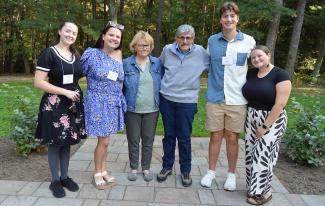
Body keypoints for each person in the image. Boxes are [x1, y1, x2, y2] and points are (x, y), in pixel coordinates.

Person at [201, 1, 256, 191]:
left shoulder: (248, 41)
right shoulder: (212, 41)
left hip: (238, 99)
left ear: (237, 19)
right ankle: (211, 172)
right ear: (220, 20)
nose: (229, 19)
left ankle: (231, 175)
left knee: (232, 138)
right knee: (215, 137)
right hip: (215, 98)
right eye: (225, 16)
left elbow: (257, 66)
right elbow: (207, 65)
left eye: (232, 16)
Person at [34, 21, 87, 198]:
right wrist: (66, 92)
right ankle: (55, 181)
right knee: (56, 142)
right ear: (59, 31)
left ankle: (65, 177)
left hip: (72, 104)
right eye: (68, 31)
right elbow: (38, 82)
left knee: (67, 142)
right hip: (55, 104)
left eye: (74, 33)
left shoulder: (75, 55)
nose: (71, 35)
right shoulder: (49, 53)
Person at [157, 24, 210, 187]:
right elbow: (159, 68)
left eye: (188, 38)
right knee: (169, 135)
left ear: (193, 39)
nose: (185, 40)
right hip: (167, 99)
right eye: (182, 37)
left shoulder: (201, 52)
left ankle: (185, 170)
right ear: (176, 38)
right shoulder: (167, 50)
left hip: (187, 101)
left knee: (185, 138)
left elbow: (214, 69)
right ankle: (167, 167)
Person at [242, 45, 291, 205]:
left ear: (268, 55)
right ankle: (253, 188)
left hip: (272, 119)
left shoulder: (280, 74)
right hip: (251, 117)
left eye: (259, 56)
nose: (256, 59)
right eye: (253, 57)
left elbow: (280, 104)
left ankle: (264, 192)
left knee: (262, 156)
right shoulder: (251, 73)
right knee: (250, 154)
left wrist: (264, 127)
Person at [80, 21, 125, 190]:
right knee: (104, 141)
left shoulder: (119, 54)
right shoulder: (91, 53)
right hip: (97, 101)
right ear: (103, 36)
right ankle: (97, 172)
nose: (114, 38)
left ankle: (103, 169)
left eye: (118, 36)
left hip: (113, 102)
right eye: (111, 35)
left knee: (106, 140)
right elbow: (78, 73)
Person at [123, 31, 161, 182]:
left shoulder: (157, 63)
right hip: (132, 109)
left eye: (147, 45)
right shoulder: (126, 63)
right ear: (135, 46)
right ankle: (133, 168)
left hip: (152, 109)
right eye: (141, 45)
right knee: (133, 139)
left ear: (151, 47)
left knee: (148, 139)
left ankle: (146, 168)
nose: (144, 47)